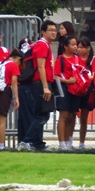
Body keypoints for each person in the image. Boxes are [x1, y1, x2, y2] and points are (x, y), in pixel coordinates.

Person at [19, 20, 57, 152]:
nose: (53, 32)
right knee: (42, 115)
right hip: (40, 84)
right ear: (43, 32)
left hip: (40, 83)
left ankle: (38, 143)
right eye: (50, 30)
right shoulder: (42, 45)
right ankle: (27, 140)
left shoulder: (45, 45)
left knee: (38, 114)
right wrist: (46, 87)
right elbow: (40, 67)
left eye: (54, 30)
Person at [0, 49, 21, 150]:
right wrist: (16, 98)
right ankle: (0, 145)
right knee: (1, 119)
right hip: (3, 91)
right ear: (18, 59)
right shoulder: (13, 65)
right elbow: (14, 82)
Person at [76, 37, 95, 150]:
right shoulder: (75, 59)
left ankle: (81, 142)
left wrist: (84, 78)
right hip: (75, 88)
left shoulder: (93, 60)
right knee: (70, 116)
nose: (79, 49)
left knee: (84, 118)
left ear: (88, 48)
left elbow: (93, 76)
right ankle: (67, 141)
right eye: (78, 47)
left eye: (82, 47)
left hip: (87, 89)